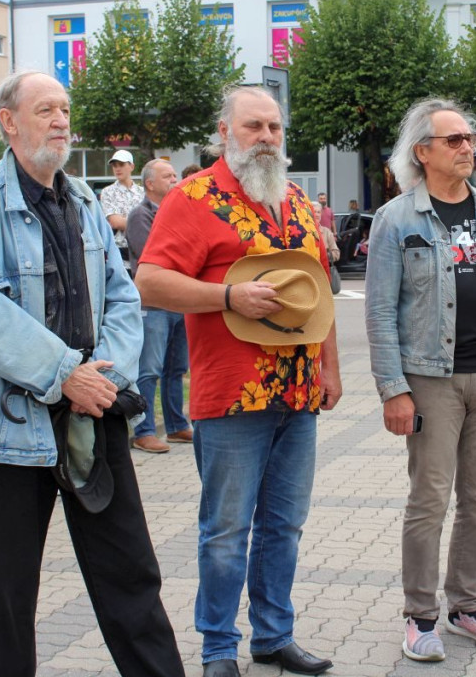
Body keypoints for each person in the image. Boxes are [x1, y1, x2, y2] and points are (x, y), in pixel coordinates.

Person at [0, 71, 184, 677]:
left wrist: (103, 380)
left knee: (131, 576)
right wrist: (66, 374)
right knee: (11, 594)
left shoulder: (82, 200)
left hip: (92, 419)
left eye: (65, 108)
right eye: (45, 108)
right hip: (10, 431)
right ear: (8, 120)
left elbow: (123, 300)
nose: (60, 119)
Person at [135, 85, 342, 677]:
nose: (267, 138)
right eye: (254, 127)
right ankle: (217, 649)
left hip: (299, 394)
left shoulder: (297, 199)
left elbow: (319, 292)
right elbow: (149, 281)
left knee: (284, 525)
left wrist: (330, 367)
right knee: (226, 531)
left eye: (274, 128)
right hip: (231, 395)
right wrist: (228, 295)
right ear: (224, 132)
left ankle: (274, 636)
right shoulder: (193, 197)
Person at [365, 98, 476, 663]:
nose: (469, 147)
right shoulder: (397, 219)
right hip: (430, 382)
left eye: (470, 138)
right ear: (423, 152)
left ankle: (468, 606)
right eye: (455, 140)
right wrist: (393, 388)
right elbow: (378, 312)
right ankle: (420, 617)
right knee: (430, 499)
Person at [126, 158, 192, 452]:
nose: (174, 180)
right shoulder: (140, 215)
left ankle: (177, 426)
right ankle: (143, 431)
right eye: (167, 176)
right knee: (149, 369)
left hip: (179, 300)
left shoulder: (178, 212)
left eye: (175, 175)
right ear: (149, 184)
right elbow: (152, 255)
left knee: (175, 369)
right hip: (154, 304)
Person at [100, 149, 144, 265]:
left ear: (132, 166)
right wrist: (143, 224)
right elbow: (115, 222)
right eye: (114, 165)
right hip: (119, 254)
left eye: (121, 164)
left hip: (142, 252)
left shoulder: (142, 192)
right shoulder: (107, 192)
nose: (117, 169)